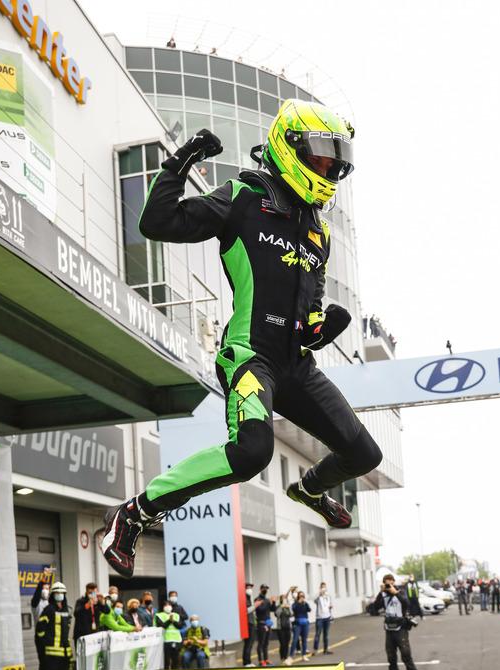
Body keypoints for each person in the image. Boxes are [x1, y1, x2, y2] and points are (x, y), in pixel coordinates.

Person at [101, 99, 382, 579]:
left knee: (365, 455)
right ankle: (135, 513)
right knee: (253, 452)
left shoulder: (319, 232)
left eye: (335, 164)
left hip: (296, 368)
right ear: (288, 146)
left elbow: (307, 319)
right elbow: (156, 222)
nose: (327, 170)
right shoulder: (246, 194)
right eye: (319, 159)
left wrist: (321, 328)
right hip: (249, 356)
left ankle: (310, 489)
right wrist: (181, 160)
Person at [371, 573, 421, 670]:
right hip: (389, 630)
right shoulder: (383, 595)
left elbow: (407, 603)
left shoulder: (401, 591)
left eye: (391, 582)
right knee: (391, 660)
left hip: (401, 629)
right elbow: (374, 609)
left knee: (406, 658)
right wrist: (380, 592)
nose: (389, 585)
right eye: (387, 583)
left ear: (394, 582)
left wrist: (395, 592)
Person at [35, 581, 72, 670]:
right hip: (52, 655)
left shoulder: (66, 611)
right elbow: (40, 630)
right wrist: (47, 643)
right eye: (57, 593)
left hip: (65, 654)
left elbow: (66, 632)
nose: (59, 595)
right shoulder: (49, 609)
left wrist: (69, 653)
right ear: (53, 595)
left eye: (61, 593)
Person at [154, 602, 183, 669]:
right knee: (166, 660)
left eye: (169, 605)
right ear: (163, 607)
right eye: (165, 605)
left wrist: (173, 621)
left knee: (176, 659)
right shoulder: (159, 615)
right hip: (166, 640)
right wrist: (169, 621)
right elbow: (162, 626)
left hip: (177, 639)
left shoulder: (176, 615)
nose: (168, 606)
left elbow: (180, 625)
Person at [254, 585, 276, 667]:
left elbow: (273, 609)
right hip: (261, 624)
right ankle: (261, 660)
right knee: (261, 643)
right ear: (260, 589)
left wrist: (273, 601)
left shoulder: (266, 600)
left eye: (266, 588)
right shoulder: (257, 599)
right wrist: (268, 602)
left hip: (268, 623)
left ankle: (266, 659)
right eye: (264, 588)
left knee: (266, 643)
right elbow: (260, 609)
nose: (265, 590)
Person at [289, 591, 311, 660]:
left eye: (303, 596)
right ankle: (290, 657)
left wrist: (305, 603)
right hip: (297, 624)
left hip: (305, 623)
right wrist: (298, 602)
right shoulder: (295, 604)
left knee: (304, 640)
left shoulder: (305, 603)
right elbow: (294, 609)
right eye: (301, 596)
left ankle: (304, 655)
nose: (302, 597)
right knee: (295, 640)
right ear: (298, 597)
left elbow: (309, 610)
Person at [313, 582, 334, 654]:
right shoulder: (318, 597)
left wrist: (331, 607)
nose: (324, 588)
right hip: (320, 618)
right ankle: (315, 650)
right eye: (322, 587)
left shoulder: (328, 596)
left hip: (327, 616)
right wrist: (319, 593)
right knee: (318, 634)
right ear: (320, 588)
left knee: (326, 634)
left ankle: (326, 649)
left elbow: (330, 604)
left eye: (325, 587)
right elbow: (314, 600)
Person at [242, 583, 256, 666]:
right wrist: (255, 606)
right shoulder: (243, 598)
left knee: (250, 644)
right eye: (248, 587)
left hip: (251, 622)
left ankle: (249, 661)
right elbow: (245, 610)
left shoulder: (248, 597)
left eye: (251, 587)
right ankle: (246, 662)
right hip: (247, 623)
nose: (250, 589)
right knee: (248, 643)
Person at [275, 595, 292, 663]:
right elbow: (277, 614)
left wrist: (289, 607)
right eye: (283, 598)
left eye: (285, 598)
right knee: (282, 643)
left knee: (287, 643)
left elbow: (291, 614)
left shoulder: (287, 607)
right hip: (280, 628)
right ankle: (282, 657)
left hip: (287, 627)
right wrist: (281, 607)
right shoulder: (278, 606)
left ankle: (286, 657)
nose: (284, 600)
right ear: (281, 600)